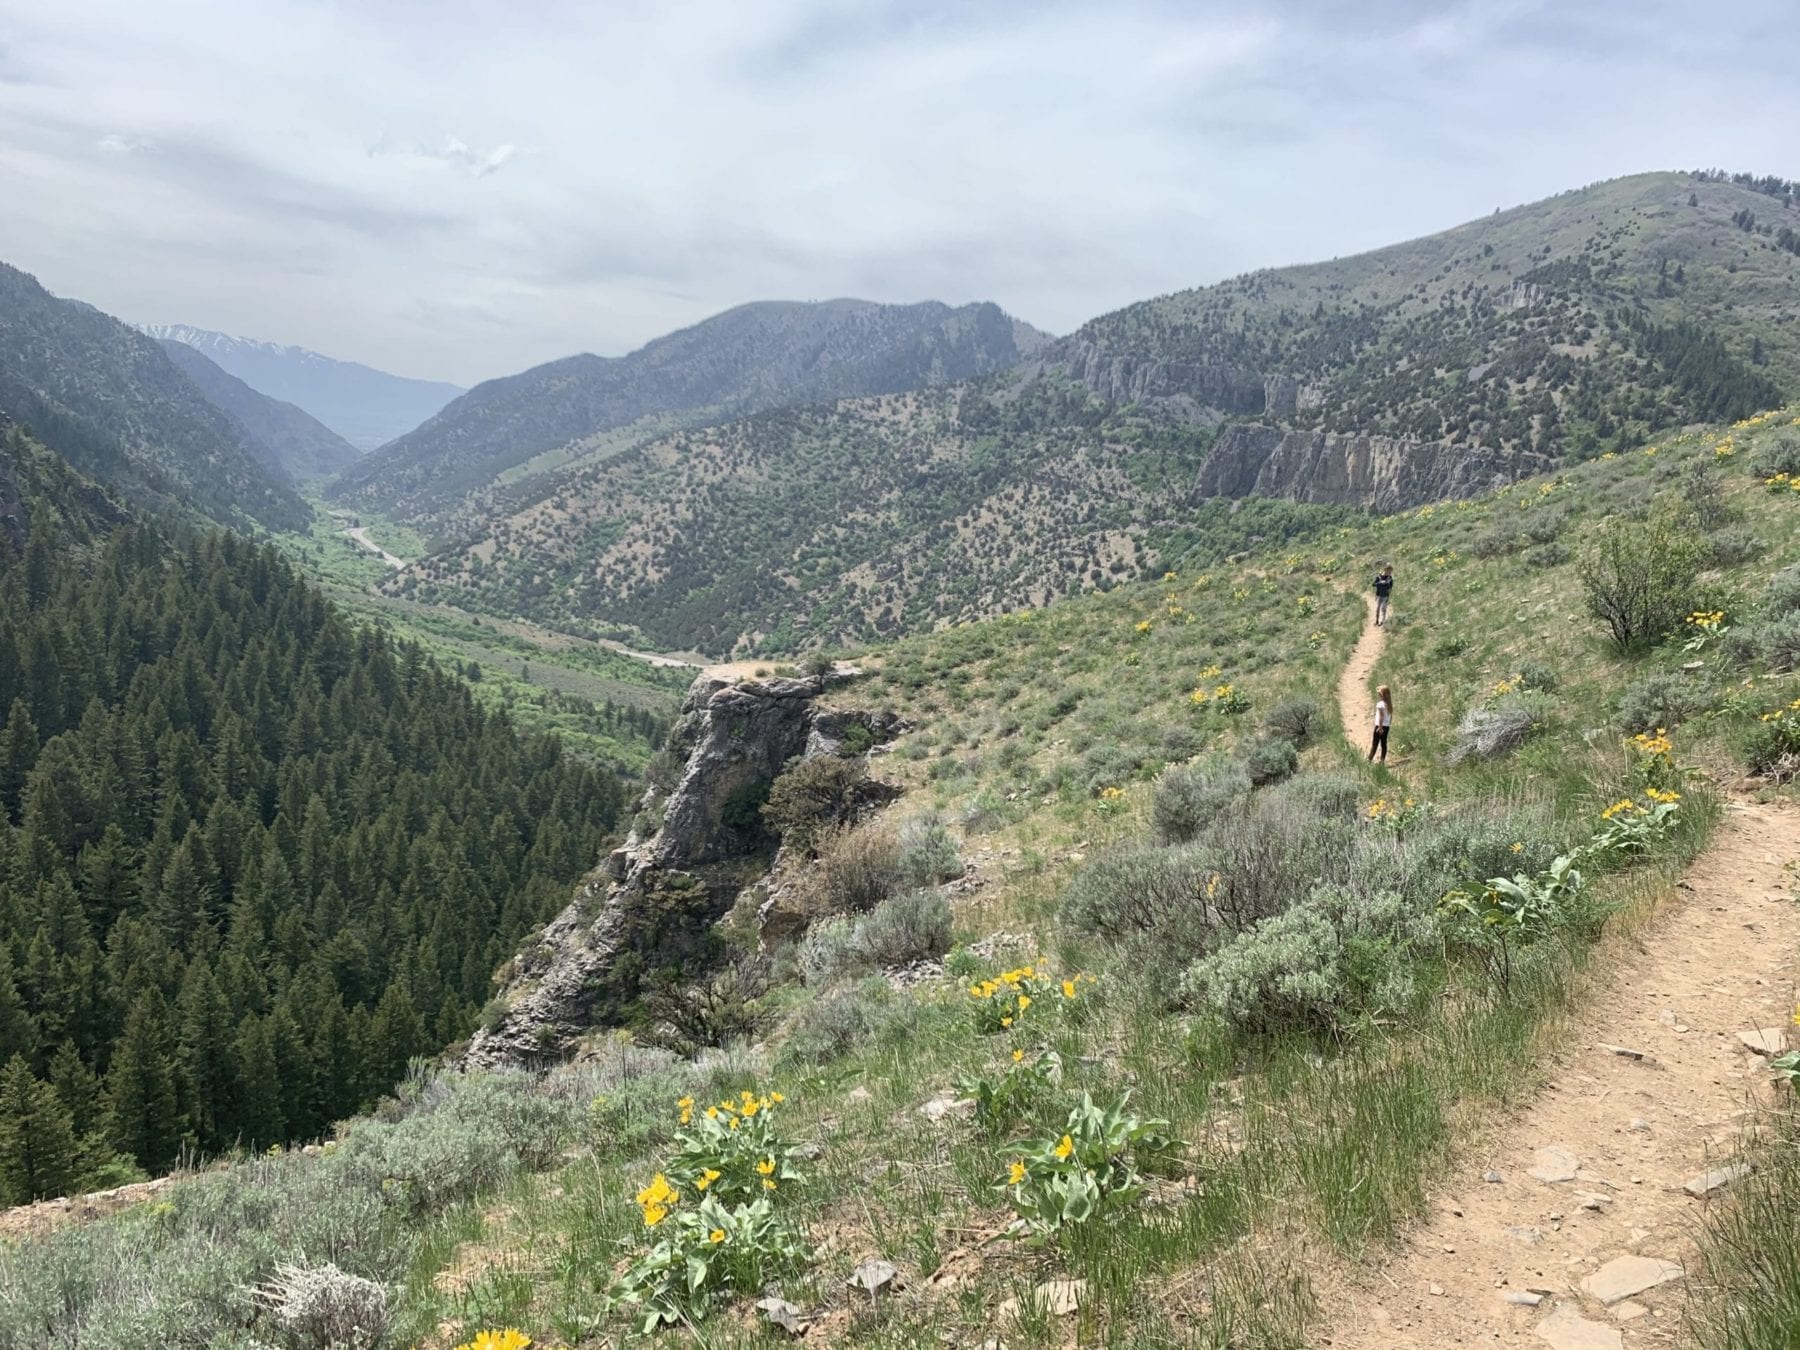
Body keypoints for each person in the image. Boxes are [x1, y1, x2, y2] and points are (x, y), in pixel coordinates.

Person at [1369, 684, 1393, 763]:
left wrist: (1380, 727)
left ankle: (1370, 759)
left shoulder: (1380, 704)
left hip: (1380, 726)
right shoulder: (1389, 705)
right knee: (1384, 743)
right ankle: (1382, 760)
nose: (1378, 695)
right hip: (1386, 726)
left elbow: (1381, 716)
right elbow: (1390, 716)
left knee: (1375, 743)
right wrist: (1388, 724)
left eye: (1379, 694)